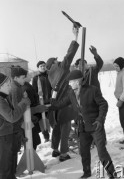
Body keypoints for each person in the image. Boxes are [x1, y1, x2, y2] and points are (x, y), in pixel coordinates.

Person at [49, 70, 117, 179]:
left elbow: (103, 105)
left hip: (95, 126)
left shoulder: (92, 90)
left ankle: (112, 174)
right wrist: (52, 98)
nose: (69, 84)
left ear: (78, 81)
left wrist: (100, 120)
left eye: (71, 81)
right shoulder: (71, 93)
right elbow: (59, 104)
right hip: (82, 128)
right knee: (84, 152)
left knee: (102, 152)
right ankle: (86, 173)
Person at [46, 25, 79, 162]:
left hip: (55, 105)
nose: (58, 60)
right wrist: (75, 36)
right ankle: (64, 153)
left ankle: (55, 149)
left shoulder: (50, 73)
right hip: (64, 104)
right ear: (54, 63)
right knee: (65, 129)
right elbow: (69, 54)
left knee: (56, 128)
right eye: (56, 59)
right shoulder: (61, 68)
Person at [0, 73, 30, 179]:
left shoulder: (3, 97)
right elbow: (12, 117)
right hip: (3, 139)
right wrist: (23, 103)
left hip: (9, 137)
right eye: (7, 84)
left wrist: (19, 135)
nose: (9, 86)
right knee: (4, 171)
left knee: (10, 169)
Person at [9, 66, 28, 176]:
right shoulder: (15, 89)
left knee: (14, 149)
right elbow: (16, 110)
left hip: (15, 123)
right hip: (15, 124)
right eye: (22, 77)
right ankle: (14, 172)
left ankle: (14, 171)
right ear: (15, 77)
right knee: (14, 149)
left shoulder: (16, 87)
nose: (24, 79)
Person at [32, 61, 52, 142]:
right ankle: (46, 137)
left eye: (44, 66)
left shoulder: (50, 75)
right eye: (41, 66)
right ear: (38, 68)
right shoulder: (36, 78)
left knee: (52, 118)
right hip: (42, 102)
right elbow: (34, 91)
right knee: (43, 120)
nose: (43, 67)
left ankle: (57, 135)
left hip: (51, 100)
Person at [22, 74, 41, 150]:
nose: (30, 75)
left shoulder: (27, 85)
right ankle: (30, 159)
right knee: (31, 140)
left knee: (34, 140)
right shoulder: (24, 88)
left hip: (32, 115)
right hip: (28, 117)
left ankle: (32, 156)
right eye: (27, 75)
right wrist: (34, 114)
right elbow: (27, 105)